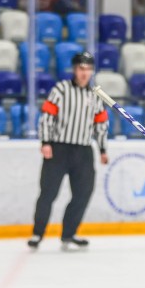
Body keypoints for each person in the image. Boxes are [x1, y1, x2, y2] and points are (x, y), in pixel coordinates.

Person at [28, 52, 109, 251]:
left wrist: (102, 148)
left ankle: (69, 234)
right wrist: (45, 141)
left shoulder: (94, 95)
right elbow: (47, 116)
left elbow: (101, 124)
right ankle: (38, 233)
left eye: (88, 69)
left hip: (83, 150)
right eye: (81, 68)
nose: (85, 73)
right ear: (74, 69)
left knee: (83, 193)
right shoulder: (61, 90)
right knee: (48, 193)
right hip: (58, 149)